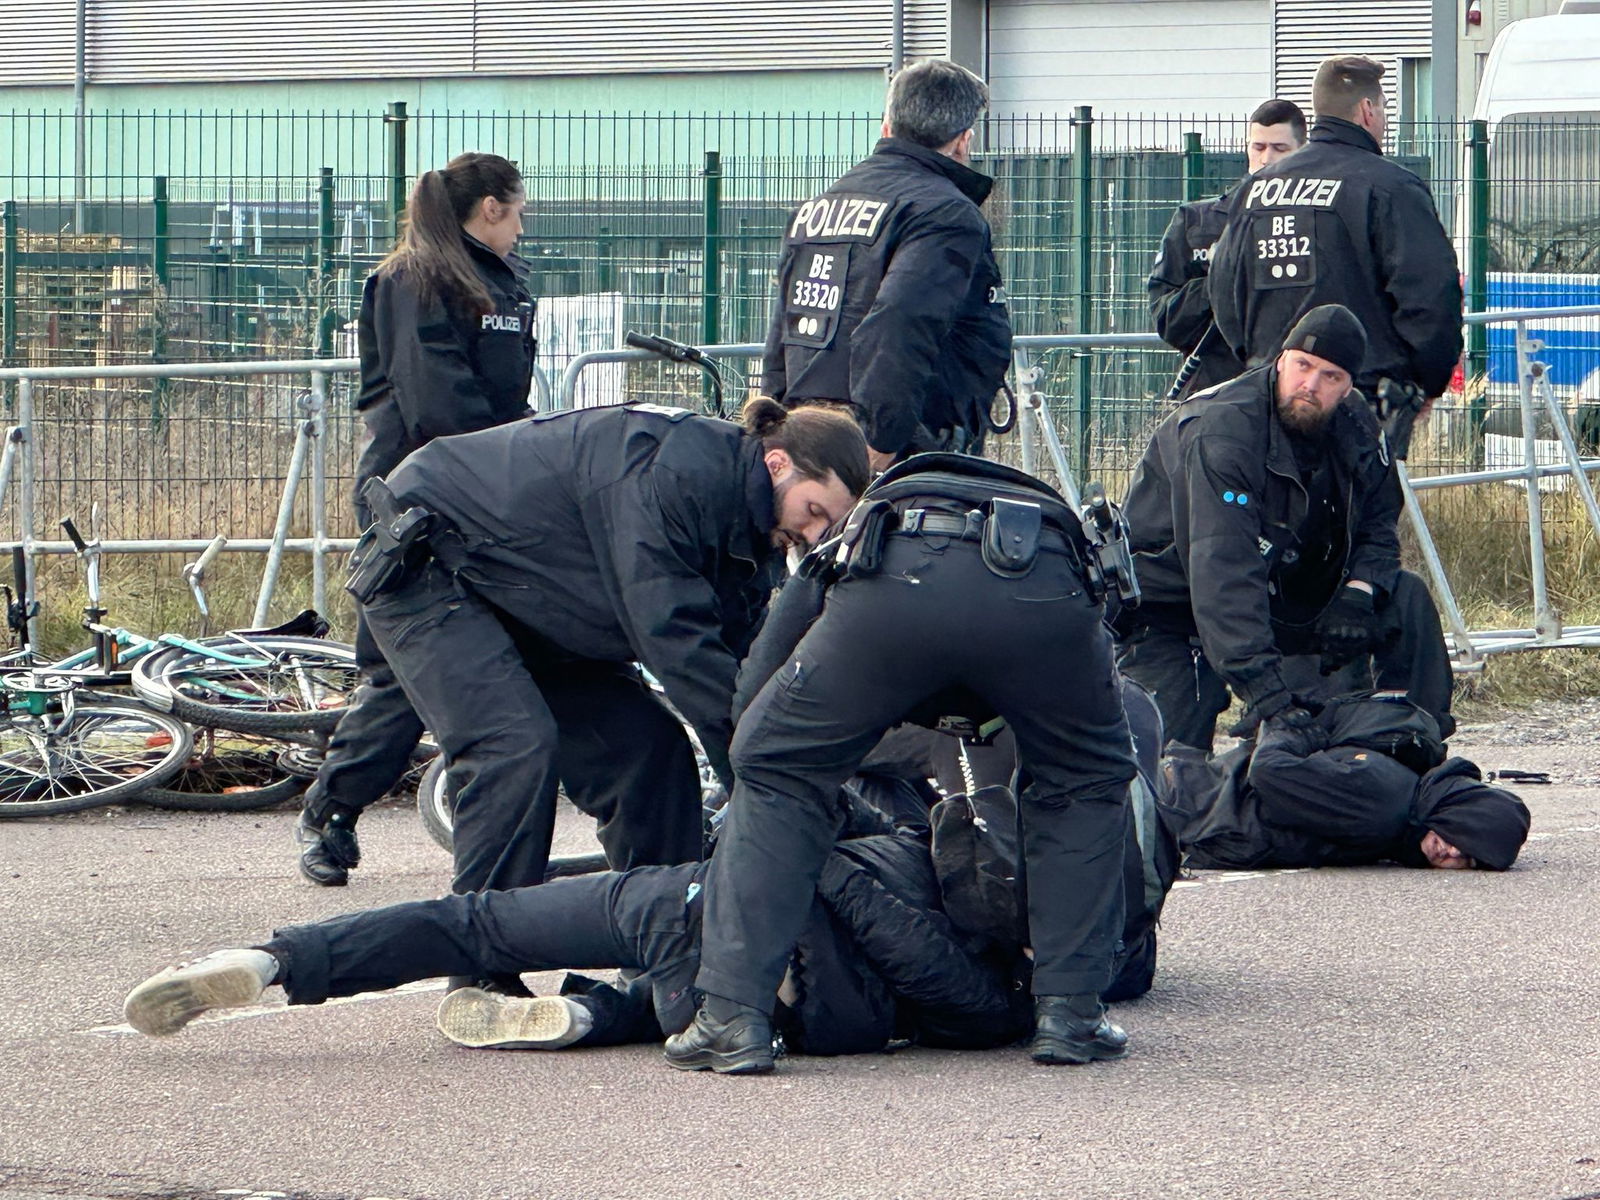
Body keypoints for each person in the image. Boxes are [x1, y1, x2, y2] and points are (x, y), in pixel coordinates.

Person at [351, 397, 867, 993]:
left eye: (828, 527)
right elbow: (676, 641)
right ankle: (479, 978)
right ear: (778, 464)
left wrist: (799, 773)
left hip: (533, 599)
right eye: (813, 512)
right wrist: (762, 781)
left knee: (650, 754)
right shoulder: (674, 473)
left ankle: (668, 960)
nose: (811, 534)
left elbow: (744, 668)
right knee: (511, 749)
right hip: (430, 558)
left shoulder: (752, 526)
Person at [665, 453, 1139, 1075]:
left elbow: (758, 684)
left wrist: (771, 748)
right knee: (1085, 782)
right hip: (1048, 586)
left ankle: (731, 1018)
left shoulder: (860, 525)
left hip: (899, 577)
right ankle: (1072, 1016)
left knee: (776, 768)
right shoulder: (1051, 530)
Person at [296, 152, 538, 888]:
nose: (522, 227)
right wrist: (509, 457)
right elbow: (437, 400)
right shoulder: (413, 278)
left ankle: (482, 817)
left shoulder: (500, 279)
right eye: (519, 211)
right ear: (491, 207)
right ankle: (330, 813)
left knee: (509, 660)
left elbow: (501, 394)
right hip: (413, 499)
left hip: (488, 487)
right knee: (401, 674)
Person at [1118, 304, 1455, 754]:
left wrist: (1357, 594)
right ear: (1281, 361)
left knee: (1405, 598)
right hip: (1173, 603)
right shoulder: (1224, 432)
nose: (1310, 385)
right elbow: (1223, 570)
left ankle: (1414, 744)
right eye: (1303, 366)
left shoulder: (1356, 424)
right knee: (1172, 761)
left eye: (1330, 376)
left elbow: (1379, 521)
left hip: (1283, 587)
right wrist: (1267, 694)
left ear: (1348, 387)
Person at [761, 59, 1012, 470]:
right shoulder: (945, 212)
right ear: (962, 141)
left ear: (886, 127)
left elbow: (784, 328)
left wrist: (771, 426)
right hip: (900, 448)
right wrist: (882, 435)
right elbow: (900, 319)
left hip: (804, 436)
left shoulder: (818, 207)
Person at [1207, 56, 1462, 456]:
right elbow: (1431, 297)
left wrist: (1262, 365)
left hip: (1272, 396)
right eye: (1383, 110)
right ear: (1367, 109)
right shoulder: (1391, 187)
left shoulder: (1256, 190)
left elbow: (1223, 291)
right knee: (1360, 497)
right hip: (1362, 401)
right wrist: (1426, 382)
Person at [1162, 693, 1530, 871]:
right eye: (1462, 837)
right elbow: (1269, 771)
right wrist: (1291, 726)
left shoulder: (1407, 808)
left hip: (1195, 810)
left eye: (1468, 859)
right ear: (1453, 812)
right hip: (1190, 806)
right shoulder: (1384, 804)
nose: (1451, 852)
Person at [1147, 99, 1306, 401]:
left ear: (1303, 151)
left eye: (1280, 148)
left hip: (1296, 392)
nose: (1267, 158)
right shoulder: (1196, 222)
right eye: (1258, 147)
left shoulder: (1319, 223)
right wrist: (1220, 280)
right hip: (1216, 389)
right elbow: (1167, 320)